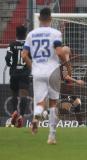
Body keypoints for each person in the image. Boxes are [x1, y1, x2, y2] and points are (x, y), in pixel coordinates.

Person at [21, 7, 71, 144]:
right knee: (53, 103)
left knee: (40, 103)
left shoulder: (31, 34)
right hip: (52, 72)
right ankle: (52, 136)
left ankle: (37, 115)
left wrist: (33, 66)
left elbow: (24, 55)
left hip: (38, 72)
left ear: (39, 18)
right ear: (50, 19)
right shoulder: (55, 33)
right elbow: (60, 52)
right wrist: (67, 65)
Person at [5, 25, 30, 128]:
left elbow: (8, 59)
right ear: (25, 34)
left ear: (16, 33)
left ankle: (15, 111)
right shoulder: (28, 45)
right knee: (23, 95)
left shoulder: (12, 44)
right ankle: (21, 116)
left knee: (14, 94)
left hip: (14, 73)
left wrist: (12, 66)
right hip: (24, 74)